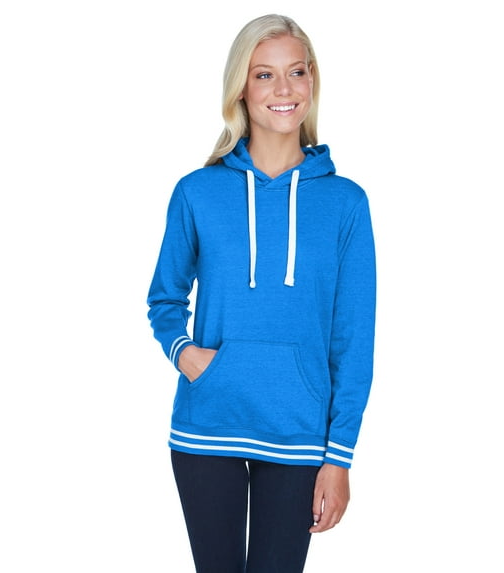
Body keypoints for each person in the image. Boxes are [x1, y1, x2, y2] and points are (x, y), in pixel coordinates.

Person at [147, 13, 377, 573]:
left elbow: (353, 339)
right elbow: (164, 298)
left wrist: (340, 455)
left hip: (299, 433)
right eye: (264, 75)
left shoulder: (346, 203)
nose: (283, 89)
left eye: (296, 72)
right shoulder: (197, 192)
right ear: (241, 89)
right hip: (208, 426)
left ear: (312, 81)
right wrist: (189, 357)